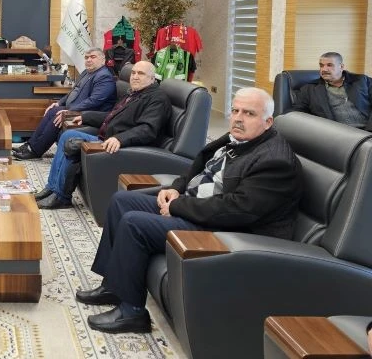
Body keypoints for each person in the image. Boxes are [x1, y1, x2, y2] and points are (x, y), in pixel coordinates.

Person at [76, 87, 302, 334]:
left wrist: (177, 206)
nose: (238, 118)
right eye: (235, 110)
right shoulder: (239, 138)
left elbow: (236, 210)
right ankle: (114, 286)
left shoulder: (275, 161)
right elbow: (199, 167)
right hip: (198, 205)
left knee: (134, 223)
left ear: (268, 122)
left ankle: (132, 313)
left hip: (227, 229)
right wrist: (176, 188)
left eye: (249, 113)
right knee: (122, 201)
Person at [35, 60, 171, 209]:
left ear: (152, 78)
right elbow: (112, 116)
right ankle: (52, 187)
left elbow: (147, 129)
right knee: (67, 135)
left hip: (124, 146)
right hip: (107, 138)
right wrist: (85, 116)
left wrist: (120, 139)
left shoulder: (157, 99)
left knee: (70, 139)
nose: (135, 76)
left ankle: (61, 197)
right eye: (133, 73)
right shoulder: (134, 93)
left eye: (141, 73)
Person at [12, 48, 115, 161]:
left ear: (102, 60)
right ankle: (30, 144)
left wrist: (70, 111)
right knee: (53, 110)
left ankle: (35, 151)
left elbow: (94, 101)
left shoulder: (104, 76)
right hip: (76, 108)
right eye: (86, 57)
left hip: (91, 113)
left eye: (93, 57)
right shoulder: (86, 72)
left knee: (58, 116)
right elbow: (73, 92)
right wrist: (58, 103)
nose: (89, 60)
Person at [290, 52, 372, 130]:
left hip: (367, 131)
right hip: (336, 134)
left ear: (341, 67)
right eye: (321, 65)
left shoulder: (362, 81)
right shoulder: (309, 89)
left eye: (329, 65)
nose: (324, 69)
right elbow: (298, 113)